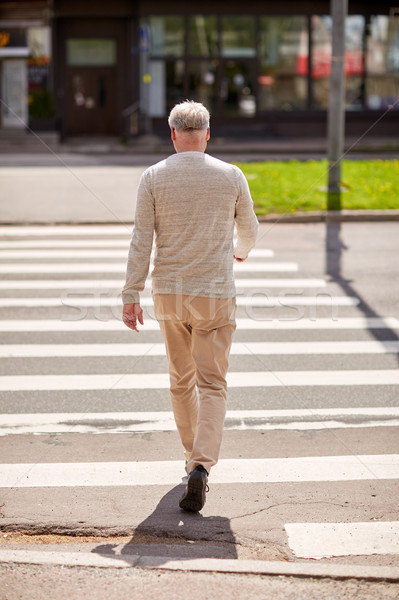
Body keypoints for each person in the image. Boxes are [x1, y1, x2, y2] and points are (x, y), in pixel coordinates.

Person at [122, 100, 258, 512]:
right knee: (212, 383)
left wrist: (131, 293)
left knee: (181, 380)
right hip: (215, 293)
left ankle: (189, 459)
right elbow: (250, 228)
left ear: (173, 134)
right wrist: (241, 252)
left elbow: (141, 239)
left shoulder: (153, 177)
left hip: (169, 293)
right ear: (208, 134)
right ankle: (201, 465)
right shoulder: (231, 176)